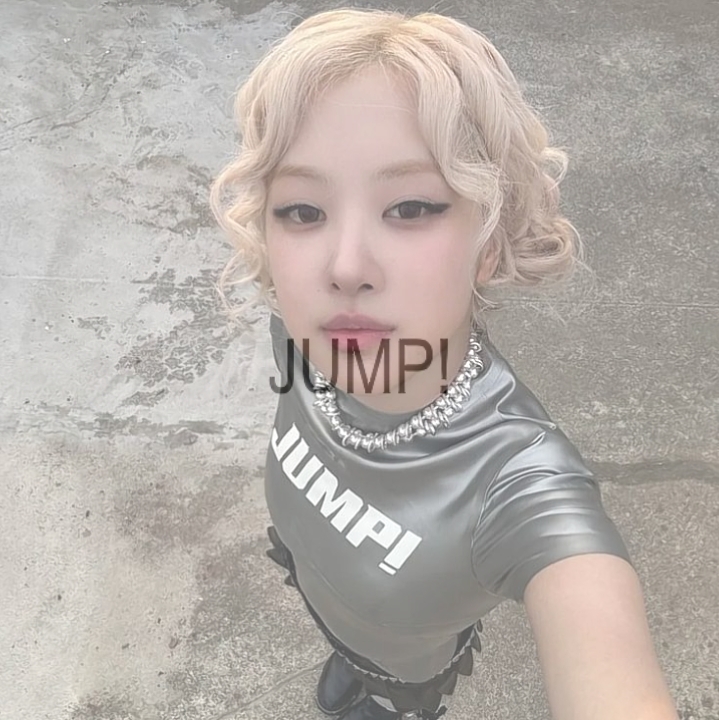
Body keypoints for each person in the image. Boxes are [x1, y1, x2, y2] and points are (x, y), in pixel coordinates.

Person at [210, 8, 678, 720]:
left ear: (487, 240)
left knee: (395, 695)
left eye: (409, 207)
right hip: (316, 588)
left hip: (409, 662)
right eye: (303, 212)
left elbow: (595, 626)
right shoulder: (297, 339)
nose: (345, 267)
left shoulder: (518, 485)